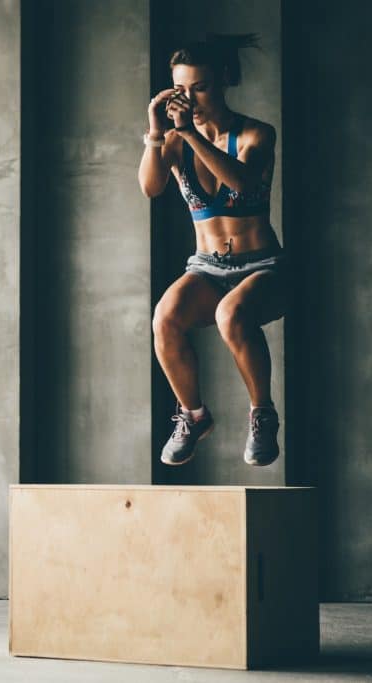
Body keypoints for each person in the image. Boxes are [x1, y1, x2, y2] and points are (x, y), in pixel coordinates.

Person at [138, 33, 285, 467]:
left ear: (222, 80)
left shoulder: (257, 134)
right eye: (180, 90)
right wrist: (155, 129)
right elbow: (150, 187)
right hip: (206, 267)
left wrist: (187, 133)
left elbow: (242, 182)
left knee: (231, 314)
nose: (189, 99)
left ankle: (262, 413)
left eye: (199, 87)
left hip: (262, 266)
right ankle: (194, 415)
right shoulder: (174, 141)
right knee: (164, 319)